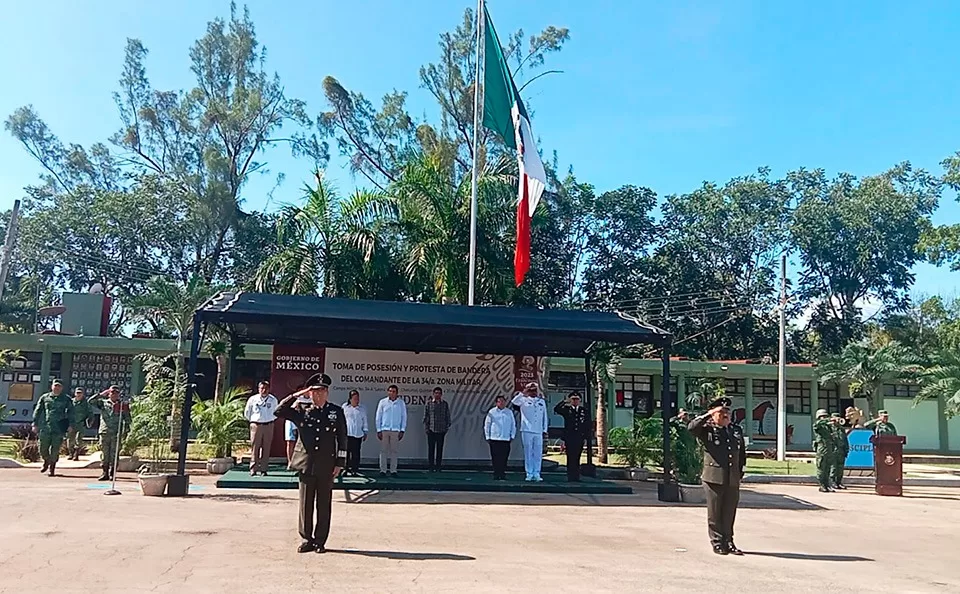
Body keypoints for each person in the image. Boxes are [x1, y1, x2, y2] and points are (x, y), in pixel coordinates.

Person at [275, 373, 347, 554]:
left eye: (322, 391)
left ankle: (320, 541)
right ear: (310, 393)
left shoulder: (335, 411)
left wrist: (340, 463)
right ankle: (306, 538)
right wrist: (297, 395)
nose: (318, 394)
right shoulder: (301, 410)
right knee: (305, 504)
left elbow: (343, 439)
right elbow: (278, 411)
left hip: (327, 465)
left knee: (324, 505)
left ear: (327, 393)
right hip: (306, 465)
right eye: (315, 391)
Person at [687, 397, 746, 556]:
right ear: (713, 414)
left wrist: (740, 472)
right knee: (715, 512)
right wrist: (709, 414)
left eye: (727, 412)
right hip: (714, 477)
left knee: (729, 512)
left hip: (732, 478)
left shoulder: (735, 430)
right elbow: (691, 428)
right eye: (721, 412)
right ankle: (717, 542)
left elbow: (741, 454)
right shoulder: (707, 430)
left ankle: (729, 541)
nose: (725, 415)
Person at [88, 385, 131, 481]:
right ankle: (105, 473)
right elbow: (90, 402)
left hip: (116, 432)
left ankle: (112, 473)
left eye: (116, 393)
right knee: (105, 454)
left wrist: (126, 432)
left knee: (114, 454)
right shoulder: (103, 403)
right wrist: (101, 394)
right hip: (104, 432)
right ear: (109, 393)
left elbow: (127, 419)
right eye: (112, 393)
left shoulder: (122, 405)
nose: (114, 395)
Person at [32, 379, 72, 477]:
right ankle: (46, 460)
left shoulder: (66, 399)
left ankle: (52, 468)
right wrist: (35, 423)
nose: (57, 388)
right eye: (55, 386)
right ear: (52, 386)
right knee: (42, 448)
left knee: (55, 449)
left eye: (59, 386)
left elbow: (71, 412)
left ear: (62, 388)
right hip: (46, 426)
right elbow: (38, 410)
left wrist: (71, 425)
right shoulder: (45, 397)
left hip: (59, 427)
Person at [511, 382, 549, 482]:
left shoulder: (541, 401)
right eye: (531, 390)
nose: (533, 392)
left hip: (538, 430)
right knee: (528, 452)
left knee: (538, 453)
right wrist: (524, 392)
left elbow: (545, 416)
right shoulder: (523, 400)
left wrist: (545, 429)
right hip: (527, 429)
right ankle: (529, 473)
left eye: (534, 390)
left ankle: (537, 473)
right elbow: (514, 401)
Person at [244, 380, 279, 476]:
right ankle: (253, 469)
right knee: (255, 447)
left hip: (268, 425)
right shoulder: (253, 399)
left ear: (269, 389)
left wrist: (269, 419)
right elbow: (247, 412)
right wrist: (253, 421)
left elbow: (276, 413)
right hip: (256, 425)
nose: (264, 390)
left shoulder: (273, 400)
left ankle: (264, 469)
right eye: (262, 388)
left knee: (266, 448)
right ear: (258, 389)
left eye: (266, 388)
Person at [553, 391, 589, 482]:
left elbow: (587, 425)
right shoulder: (567, 409)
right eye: (573, 399)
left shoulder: (583, 411)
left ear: (580, 400)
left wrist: (586, 437)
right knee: (570, 457)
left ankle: (576, 476)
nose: (575, 401)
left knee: (577, 457)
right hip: (569, 437)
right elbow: (556, 409)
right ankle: (570, 476)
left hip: (579, 437)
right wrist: (565, 401)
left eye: (577, 399)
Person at [375, 384, 407, 475]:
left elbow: (404, 417)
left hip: (396, 430)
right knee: (383, 451)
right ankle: (383, 470)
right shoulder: (383, 402)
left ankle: (393, 470)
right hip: (384, 429)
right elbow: (378, 416)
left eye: (393, 391)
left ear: (397, 393)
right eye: (390, 391)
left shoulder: (401, 403)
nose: (391, 393)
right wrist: (378, 429)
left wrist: (402, 430)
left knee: (394, 451)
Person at [484, 395, 516, 480]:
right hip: (494, 438)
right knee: (495, 457)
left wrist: (512, 435)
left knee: (504, 457)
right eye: (499, 401)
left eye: (503, 401)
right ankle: (496, 473)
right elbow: (487, 425)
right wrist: (487, 436)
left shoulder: (509, 412)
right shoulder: (492, 412)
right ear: (496, 403)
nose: (501, 403)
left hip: (505, 439)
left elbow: (513, 425)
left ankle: (502, 473)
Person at [423, 387, 451, 472]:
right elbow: (426, 416)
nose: (437, 394)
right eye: (436, 393)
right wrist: (426, 428)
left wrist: (446, 427)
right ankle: (431, 466)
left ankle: (438, 467)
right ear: (433, 394)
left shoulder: (444, 404)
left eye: (439, 393)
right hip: (431, 430)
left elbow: (447, 416)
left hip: (441, 430)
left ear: (441, 394)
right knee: (431, 449)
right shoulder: (429, 404)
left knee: (440, 449)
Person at [343, 390, 368, 475]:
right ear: (350, 399)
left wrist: (365, 431)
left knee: (356, 453)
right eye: (354, 398)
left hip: (358, 434)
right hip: (348, 434)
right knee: (346, 452)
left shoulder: (362, 409)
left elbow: (364, 420)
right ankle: (345, 468)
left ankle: (355, 469)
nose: (357, 400)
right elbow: (342, 421)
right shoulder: (345, 407)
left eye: (357, 398)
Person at [812, 409, 836, 493]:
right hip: (821, 448)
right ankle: (822, 485)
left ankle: (827, 484)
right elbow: (817, 424)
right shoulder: (817, 425)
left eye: (826, 416)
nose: (825, 418)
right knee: (821, 468)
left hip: (829, 448)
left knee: (828, 468)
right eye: (823, 416)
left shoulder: (828, 427)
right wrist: (826, 420)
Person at [66, 387, 91, 461]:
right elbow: (66, 412)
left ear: (83, 394)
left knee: (78, 440)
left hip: (81, 424)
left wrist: (89, 422)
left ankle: (76, 454)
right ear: (75, 393)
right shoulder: (71, 402)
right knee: (70, 440)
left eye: (80, 393)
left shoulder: (86, 403)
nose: (78, 394)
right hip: (71, 424)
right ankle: (71, 453)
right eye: (77, 393)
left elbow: (90, 413)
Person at [830, 413, 850, 490]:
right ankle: (832, 482)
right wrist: (831, 422)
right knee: (834, 467)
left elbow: (845, 440)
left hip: (841, 451)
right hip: (833, 450)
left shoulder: (841, 429)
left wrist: (846, 449)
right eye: (836, 418)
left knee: (840, 468)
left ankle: (839, 482)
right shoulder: (829, 428)